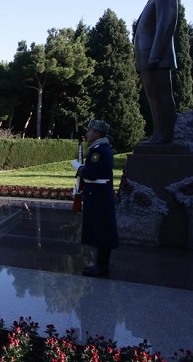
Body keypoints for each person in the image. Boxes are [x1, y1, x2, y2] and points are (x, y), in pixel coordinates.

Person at [133, 0, 179, 144]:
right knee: (153, 97)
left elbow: (165, 26)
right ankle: (159, 132)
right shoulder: (152, 1)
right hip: (146, 59)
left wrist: (155, 55)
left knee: (161, 96)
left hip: (156, 59)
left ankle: (165, 134)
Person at [73, 119, 118, 277]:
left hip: (99, 196)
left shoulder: (98, 150)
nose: (87, 133)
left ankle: (102, 266)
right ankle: (100, 264)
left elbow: (92, 174)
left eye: (90, 131)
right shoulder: (101, 148)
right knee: (102, 230)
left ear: (97, 133)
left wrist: (79, 169)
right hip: (100, 194)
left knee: (102, 231)